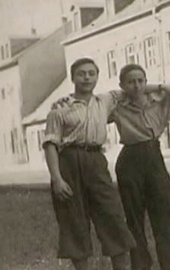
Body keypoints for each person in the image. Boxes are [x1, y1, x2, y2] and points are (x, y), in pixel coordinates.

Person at [43, 58, 136, 270]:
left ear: (97, 77)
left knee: (112, 215)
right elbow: (50, 145)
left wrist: (161, 86)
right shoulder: (59, 109)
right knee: (74, 219)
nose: (86, 78)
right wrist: (57, 179)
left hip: (95, 161)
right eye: (82, 73)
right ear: (73, 77)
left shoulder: (106, 100)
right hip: (69, 161)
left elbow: (133, 86)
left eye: (91, 73)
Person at [110, 64, 170, 270]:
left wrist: (160, 86)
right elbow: (101, 99)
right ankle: (140, 264)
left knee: (166, 211)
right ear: (122, 85)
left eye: (140, 81)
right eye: (130, 82)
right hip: (129, 159)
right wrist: (155, 85)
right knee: (134, 217)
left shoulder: (160, 101)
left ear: (146, 82)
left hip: (154, 156)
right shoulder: (117, 106)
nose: (136, 86)